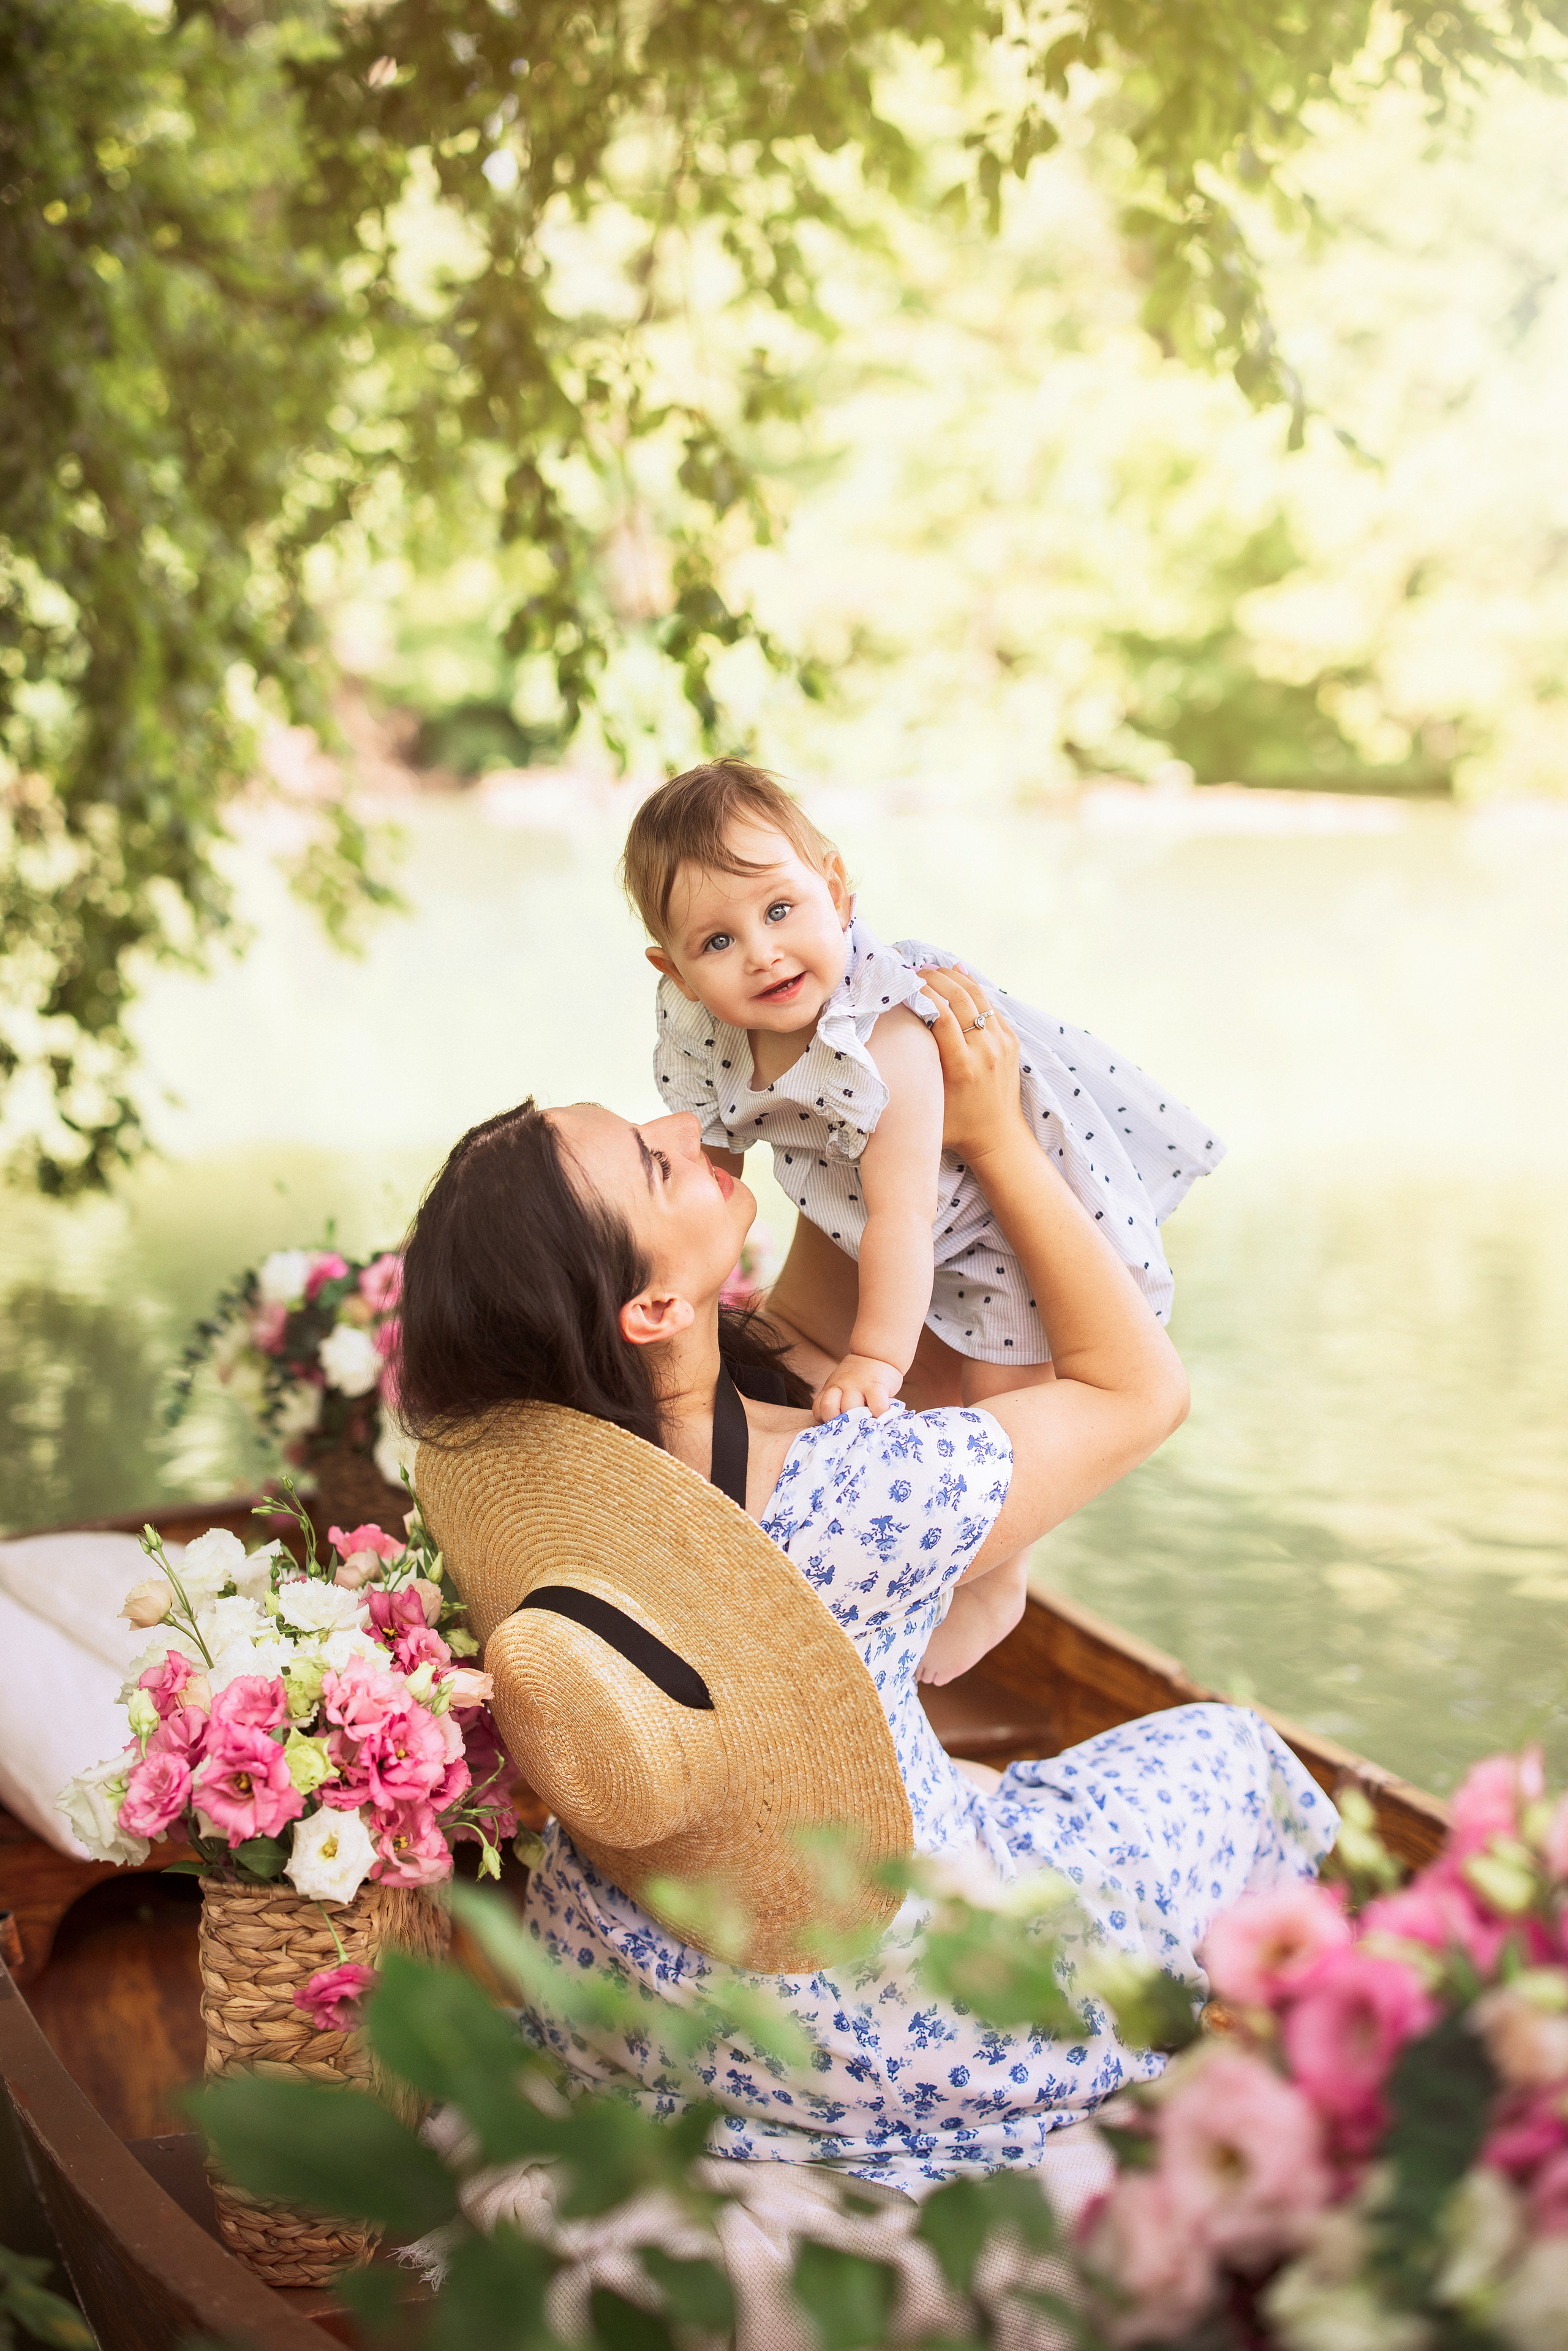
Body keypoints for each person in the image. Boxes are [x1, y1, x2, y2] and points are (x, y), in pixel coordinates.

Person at [396, 965, 1336, 2197]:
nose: (685, 1125)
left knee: (982, 1773)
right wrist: (999, 1141)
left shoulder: (543, 1467)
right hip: (874, 2032)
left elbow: (824, 1287)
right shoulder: (855, 1487)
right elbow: (1137, 1389)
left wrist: (854, 1106)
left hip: (627, 1989)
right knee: (1228, 1754)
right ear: (652, 1306)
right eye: (655, 1159)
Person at [620, 760, 1224, 1686]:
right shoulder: (701, 1030)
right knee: (859, 1368)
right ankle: (899, 1581)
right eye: (717, 941)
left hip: (981, 1220)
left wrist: (875, 1363)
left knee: (1005, 1397)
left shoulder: (886, 1037)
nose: (764, 954)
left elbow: (903, 1219)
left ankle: (997, 1581)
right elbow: (714, 1153)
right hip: (852, 1192)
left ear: (834, 886)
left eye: (782, 911)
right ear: (675, 970)